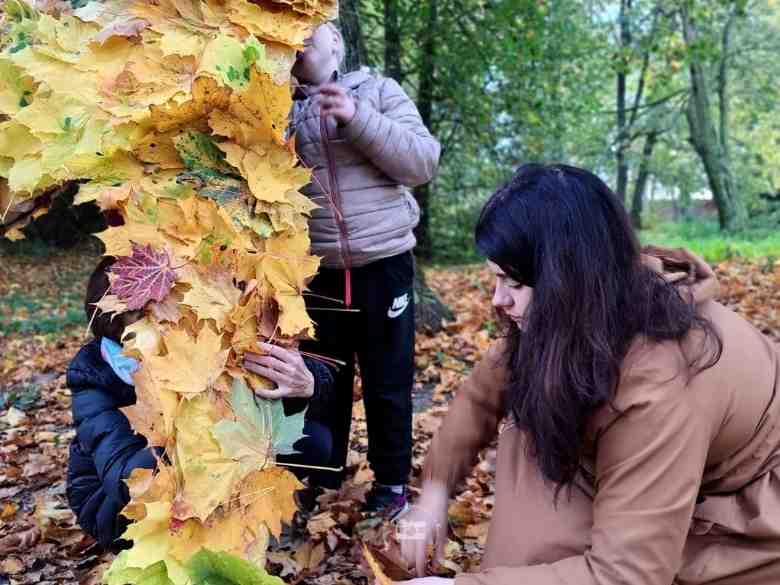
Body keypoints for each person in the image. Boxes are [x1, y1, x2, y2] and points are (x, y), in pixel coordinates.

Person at [399, 164, 780, 585]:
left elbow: (628, 573)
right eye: (495, 278)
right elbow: (486, 389)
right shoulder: (584, 306)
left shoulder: (659, 384)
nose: (497, 300)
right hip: (659, 458)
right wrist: (435, 488)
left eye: (513, 283)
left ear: (566, 280)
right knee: (532, 420)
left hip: (747, 514)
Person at [65, 257, 334, 552]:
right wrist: (200, 412)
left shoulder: (193, 340)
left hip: (198, 474)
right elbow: (127, 482)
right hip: (113, 509)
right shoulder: (96, 375)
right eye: (152, 320)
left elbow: (294, 390)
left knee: (313, 440)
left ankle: (243, 519)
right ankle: (197, 539)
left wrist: (307, 384)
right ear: (117, 328)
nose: (173, 327)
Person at [289, 22, 441, 517]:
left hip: (384, 266)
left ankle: (391, 483)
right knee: (320, 382)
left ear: (334, 38)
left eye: (305, 37)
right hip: (316, 273)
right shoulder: (274, 108)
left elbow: (421, 161)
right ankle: (320, 481)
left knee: (388, 382)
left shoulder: (379, 91)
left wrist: (358, 118)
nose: (296, 47)